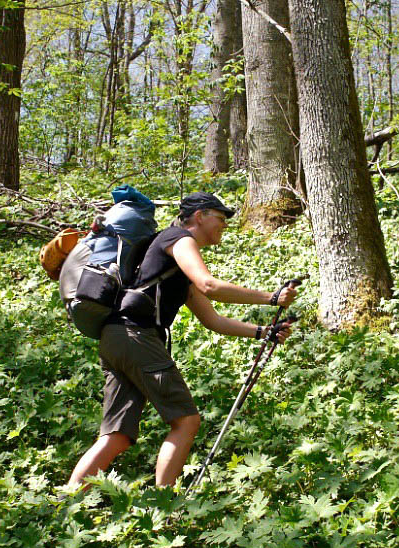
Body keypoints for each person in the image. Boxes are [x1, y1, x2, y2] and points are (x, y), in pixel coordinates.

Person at [69, 192, 298, 489]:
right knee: (186, 422)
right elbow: (209, 284)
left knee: (117, 435)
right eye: (220, 218)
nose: (224, 225)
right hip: (136, 335)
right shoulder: (178, 239)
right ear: (200, 215)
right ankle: (165, 505)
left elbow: (213, 320)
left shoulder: (172, 265)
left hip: (117, 336)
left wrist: (263, 332)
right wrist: (271, 297)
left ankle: (68, 502)